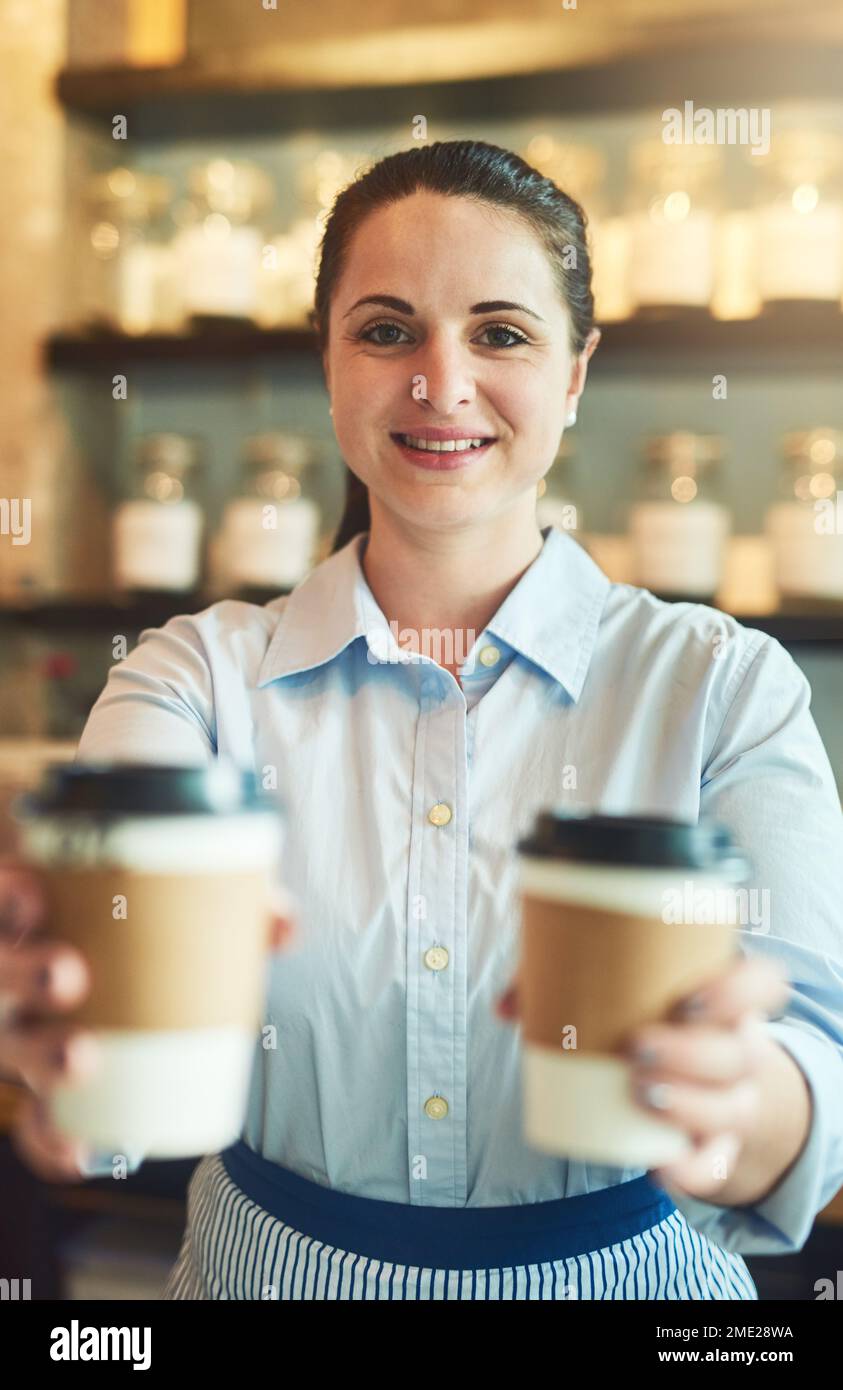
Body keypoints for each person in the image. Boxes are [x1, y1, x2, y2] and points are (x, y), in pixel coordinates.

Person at [2, 140, 842, 1301]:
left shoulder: (727, 687)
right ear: (329, 362)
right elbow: (108, 1015)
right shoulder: (189, 677)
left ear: (578, 373)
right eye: (386, 330)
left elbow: (813, 1069)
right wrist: (69, 1042)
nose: (441, 383)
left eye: (501, 332)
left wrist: (736, 1094)